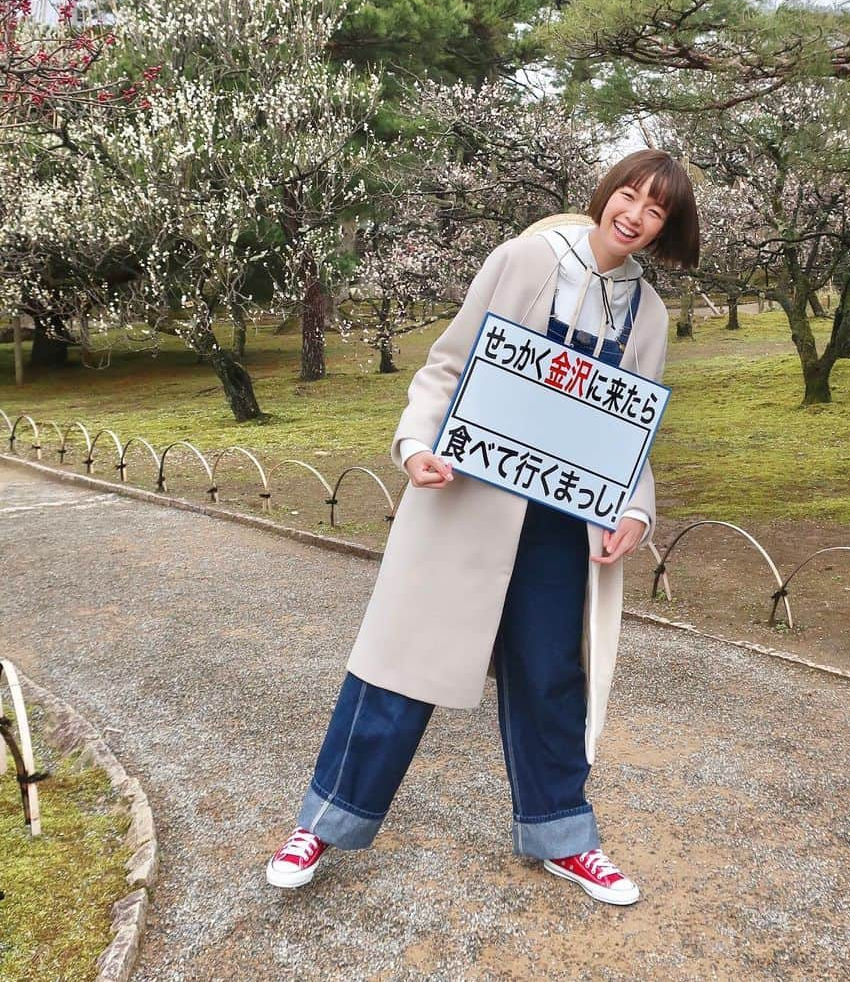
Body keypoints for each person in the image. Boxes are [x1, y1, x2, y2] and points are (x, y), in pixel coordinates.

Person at [267, 149, 700, 905]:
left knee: (550, 676)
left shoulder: (649, 314)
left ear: (666, 226)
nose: (634, 214)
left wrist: (635, 507)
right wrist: (416, 443)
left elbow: (629, 429)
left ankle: (564, 834)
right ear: (606, 194)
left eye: (654, 209)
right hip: (470, 496)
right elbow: (446, 366)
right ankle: (323, 822)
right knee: (401, 666)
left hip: (562, 519)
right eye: (628, 195)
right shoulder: (528, 259)